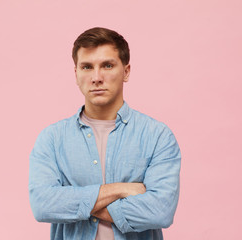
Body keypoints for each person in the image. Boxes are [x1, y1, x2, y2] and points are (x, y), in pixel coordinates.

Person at [29, 27, 181, 240]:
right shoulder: (52, 139)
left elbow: (160, 211)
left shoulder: (157, 136)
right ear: (76, 74)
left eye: (107, 65)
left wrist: (76, 203)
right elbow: (43, 205)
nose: (97, 77)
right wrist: (121, 189)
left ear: (126, 71)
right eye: (87, 67)